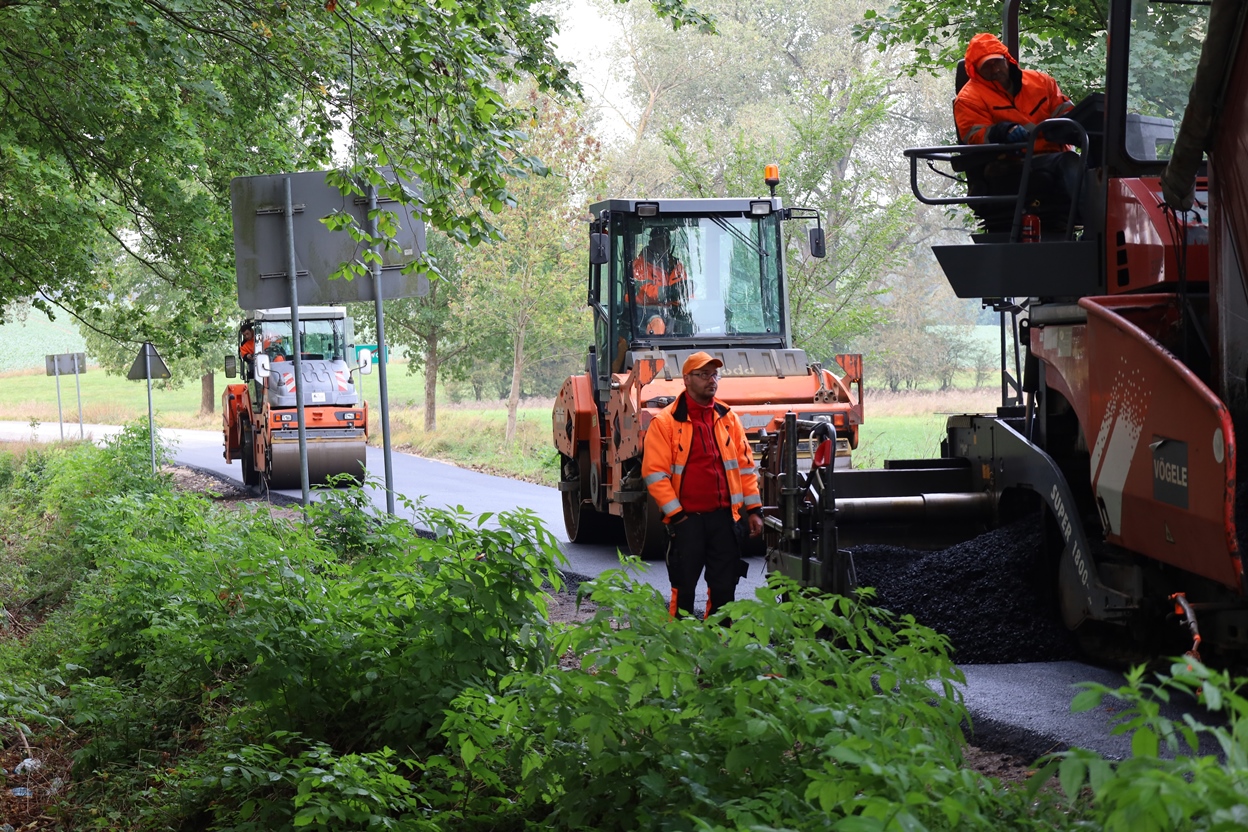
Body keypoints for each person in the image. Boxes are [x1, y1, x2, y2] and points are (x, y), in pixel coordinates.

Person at [642, 351, 764, 620]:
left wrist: (754, 509)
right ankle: (680, 648)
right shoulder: (665, 423)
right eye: (703, 375)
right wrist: (677, 517)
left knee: (724, 589)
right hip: (687, 523)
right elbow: (654, 474)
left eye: (714, 374)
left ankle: (718, 647)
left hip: (724, 520)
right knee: (683, 589)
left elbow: (745, 467)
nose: (712, 380)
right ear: (687, 379)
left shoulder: (728, 417)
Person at [954, 33, 1082, 227]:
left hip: (1055, 153)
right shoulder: (969, 98)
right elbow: (974, 135)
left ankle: (1091, 217)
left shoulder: (1041, 82)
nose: (995, 69)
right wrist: (1002, 131)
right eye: (987, 66)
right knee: (1067, 162)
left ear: (1007, 60)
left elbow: (1071, 115)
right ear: (976, 71)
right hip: (1015, 161)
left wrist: (1078, 127)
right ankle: (1093, 220)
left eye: (997, 62)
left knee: (1096, 165)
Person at [632, 227, 692, 335]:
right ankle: (653, 351)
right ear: (652, 243)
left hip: (674, 311)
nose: (664, 244)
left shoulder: (676, 266)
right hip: (647, 311)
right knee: (657, 324)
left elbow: (687, 294)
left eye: (667, 240)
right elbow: (645, 293)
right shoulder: (640, 265)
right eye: (660, 240)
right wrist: (669, 293)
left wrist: (693, 302)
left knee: (692, 323)